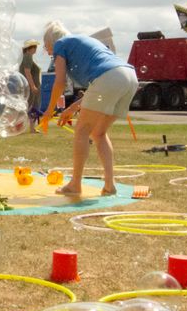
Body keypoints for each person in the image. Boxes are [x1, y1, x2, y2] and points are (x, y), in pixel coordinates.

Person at [40, 20, 138, 197]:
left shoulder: (61, 45)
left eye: (46, 47)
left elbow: (60, 82)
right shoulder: (81, 42)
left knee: (82, 131)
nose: (48, 52)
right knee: (98, 133)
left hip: (110, 78)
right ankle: (109, 185)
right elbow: (102, 82)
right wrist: (71, 108)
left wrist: (49, 111)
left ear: (51, 41)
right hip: (129, 77)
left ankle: (75, 185)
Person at [19, 39, 42, 133]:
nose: (36, 49)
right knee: (32, 106)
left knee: (30, 106)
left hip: (30, 86)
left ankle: (31, 128)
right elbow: (27, 72)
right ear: (30, 48)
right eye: (34, 47)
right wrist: (33, 86)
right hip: (31, 87)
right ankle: (31, 128)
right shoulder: (28, 56)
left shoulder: (27, 57)